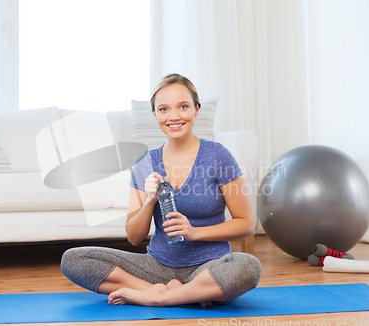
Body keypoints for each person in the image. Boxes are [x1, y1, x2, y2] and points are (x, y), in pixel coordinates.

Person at [61, 73, 261, 307]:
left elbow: (246, 223)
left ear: (196, 109)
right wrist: (149, 200)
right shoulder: (145, 163)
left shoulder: (218, 156)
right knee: (74, 259)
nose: (174, 116)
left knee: (249, 266)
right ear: (155, 114)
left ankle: (157, 298)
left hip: (208, 267)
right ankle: (176, 293)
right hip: (157, 267)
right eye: (164, 109)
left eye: (183, 107)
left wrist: (195, 233)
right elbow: (134, 237)